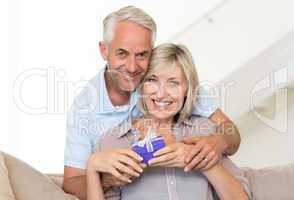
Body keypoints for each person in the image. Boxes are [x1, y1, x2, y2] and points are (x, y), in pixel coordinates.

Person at [63, 6, 242, 200]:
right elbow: (72, 182)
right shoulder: (87, 111)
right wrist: (107, 177)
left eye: (142, 55)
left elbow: (230, 132)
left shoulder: (165, 76)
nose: (132, 67)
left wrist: (215, 144)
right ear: (104, 50)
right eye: (122, 53)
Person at [86, 43, 251, 200]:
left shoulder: (204, 132)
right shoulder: (113, 141)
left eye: (174, 83)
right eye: (152, 80)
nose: (161, 94)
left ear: (188, 89)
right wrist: (92, 167)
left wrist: (200, 161)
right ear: (141, 85)